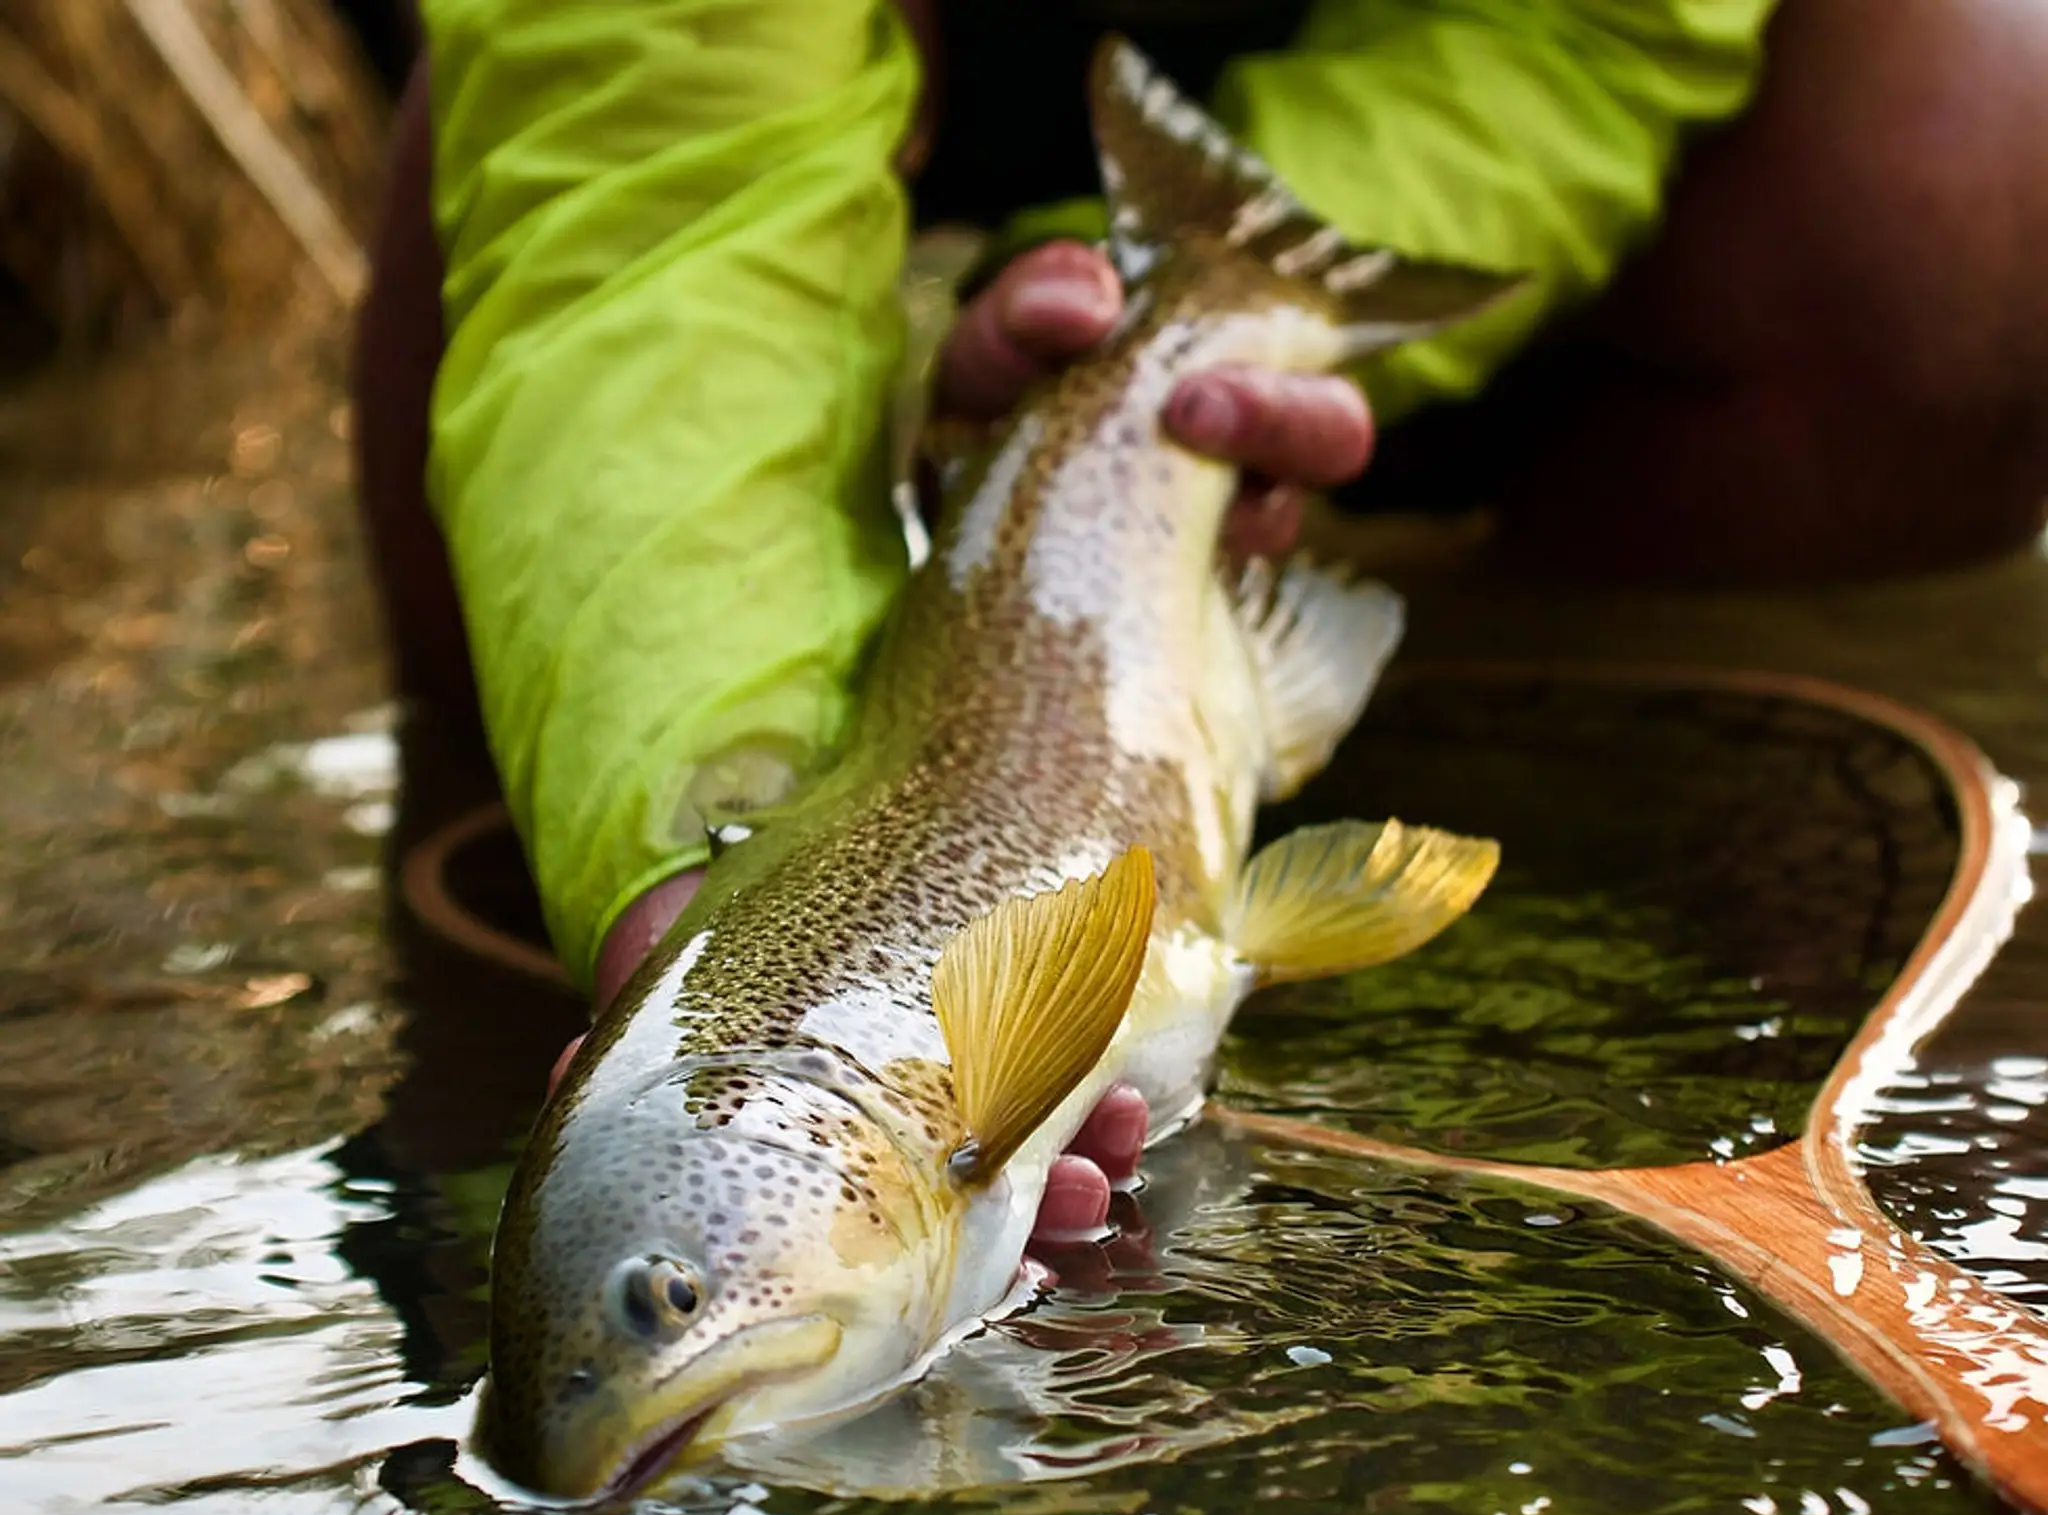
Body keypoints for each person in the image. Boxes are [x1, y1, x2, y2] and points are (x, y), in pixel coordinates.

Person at [352, 0, 2048, 1249]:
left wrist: (1206, 311)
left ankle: (1584, 709)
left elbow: (1592, 29)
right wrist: (698, 840)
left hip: (1452, 67)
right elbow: (652, 184)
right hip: (809, 86)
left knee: (1977, 160)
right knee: (476, 300)